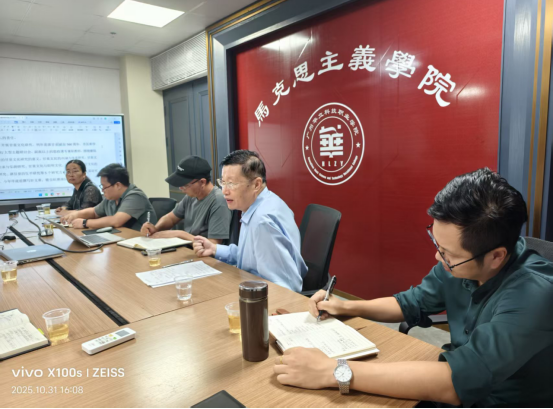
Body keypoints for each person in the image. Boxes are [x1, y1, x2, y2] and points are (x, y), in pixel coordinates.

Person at [274, 168, 553, 407]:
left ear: (496, 257)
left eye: (448, 254)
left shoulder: (535, 294)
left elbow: (455, 382)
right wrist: (346, 306)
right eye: (437, 244)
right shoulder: (460, 263)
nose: (438, 257)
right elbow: (412, 302)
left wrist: (333, 371)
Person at [193, 150, 308, 293]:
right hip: (254, 285)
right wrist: (214, 248)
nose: (224, 191)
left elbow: (285, 287)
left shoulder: (262, 221)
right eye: (223, 182)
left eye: (231, 183)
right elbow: (250, 256)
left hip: (267, 297)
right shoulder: (260, 204)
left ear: (256, 184)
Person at [140, 156, 231, 244]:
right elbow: (171, 218)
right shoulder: (191, 196)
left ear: (202, 182)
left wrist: (180, 234)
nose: (180, 188)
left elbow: (214, 244)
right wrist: (155, 229)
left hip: (203, 253)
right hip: (187, 248)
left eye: (185, 185)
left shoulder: (218, 201)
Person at [63, 163, 157, 231]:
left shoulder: (135, 196)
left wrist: (85, 223)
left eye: (104, 187)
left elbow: (116, 221)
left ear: (117, 185)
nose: (102, 190)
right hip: (121, 238)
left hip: (140, 242)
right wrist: (75, 215)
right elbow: (94, 212)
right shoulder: (111, 198)